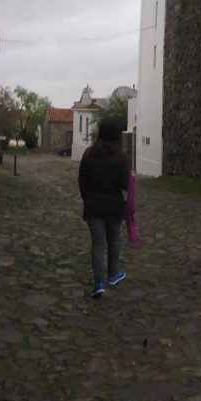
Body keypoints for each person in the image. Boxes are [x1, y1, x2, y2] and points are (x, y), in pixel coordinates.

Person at [78, 122, 131, 298]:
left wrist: (86, 198)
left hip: (93, 204)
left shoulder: (89, 154)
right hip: (114, 205)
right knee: (114, 240)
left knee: (97, 243)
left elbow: (82, 180)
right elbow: (125, 185)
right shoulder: (122, 158)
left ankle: (98, 282)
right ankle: (113, 274)